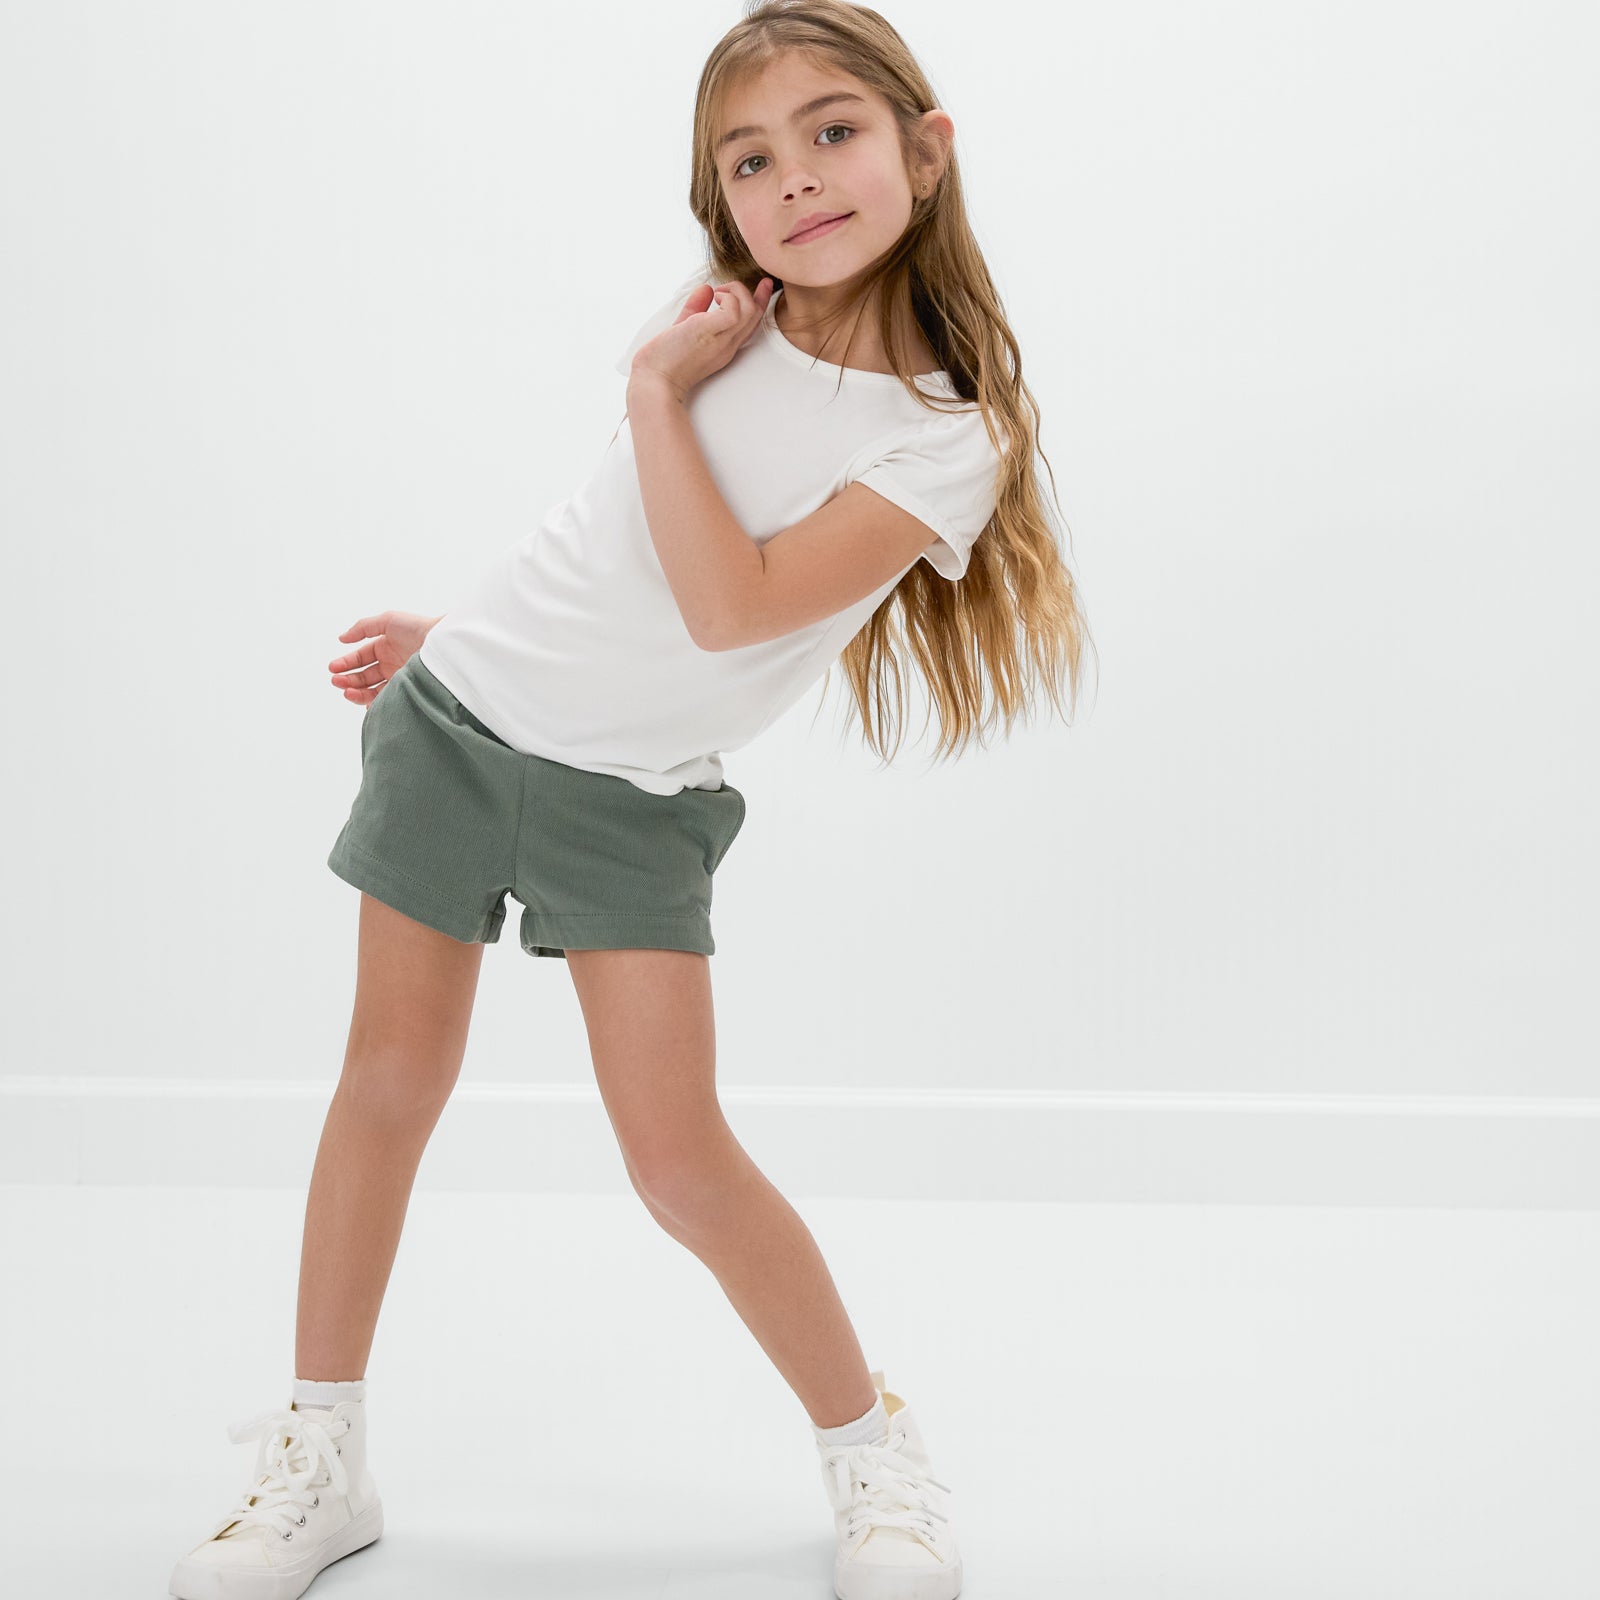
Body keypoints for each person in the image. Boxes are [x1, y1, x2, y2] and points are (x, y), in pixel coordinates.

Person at [167, 4, 1091, 1599]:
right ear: (719, 198)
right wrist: (457, 638)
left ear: (924, 154)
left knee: (676, 1162)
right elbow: (608, 564)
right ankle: (321, 1459)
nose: (795, 177)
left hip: (632, 802)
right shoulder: (724, 334)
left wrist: (655, 392)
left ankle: (875, 1455)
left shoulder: (942, 437)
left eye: (833, 132)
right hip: (460, 730)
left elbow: (728, 610)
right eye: (751, 157)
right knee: (387, 1085)